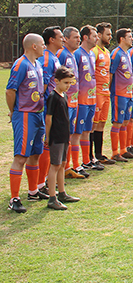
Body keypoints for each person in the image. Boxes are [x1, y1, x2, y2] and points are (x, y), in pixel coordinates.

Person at [6, 33, 46, 213]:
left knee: (35, 153)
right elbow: (10, 90)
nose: (44, 47)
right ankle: (14, 198)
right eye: (42, 44)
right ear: (34, 46)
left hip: (38, 115)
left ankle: (33, 191)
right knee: (21, 156)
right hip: (25, 115)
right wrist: (15, 110)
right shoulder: (20, 64)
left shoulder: (37, 64)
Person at [44, 66, 80, 210]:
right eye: (66, 83)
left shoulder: (64, 96)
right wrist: (48, 136)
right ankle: (52, 197)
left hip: (65, 135)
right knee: (55, 165)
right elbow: (49, 118)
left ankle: (62, 193)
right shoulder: (53, 96)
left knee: (62, 164)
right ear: (56, 81)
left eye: (70, 83)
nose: (68, 86)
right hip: (56, 136)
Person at [36, 26, 64, 194]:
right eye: (60, 37)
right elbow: (44, 85)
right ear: (51, 40)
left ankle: (45, 181)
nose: (63, 39)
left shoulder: (53, 57)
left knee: (50, 145)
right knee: (47, 145)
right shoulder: (47, 59)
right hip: (48, 109)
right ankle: (41, 183)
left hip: (55, 108)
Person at [57, 27, 83, 178]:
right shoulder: (62, 54)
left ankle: (68, 167)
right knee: (64, 135)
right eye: (75, 37)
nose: (78, 40)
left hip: (74, 100)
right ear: (65, 39)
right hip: (65, 102)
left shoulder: (72, 55)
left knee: (71, 133)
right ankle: (62, 169)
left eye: (79, 37)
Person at [74, 25, 99, 174]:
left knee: (87, 130)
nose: (97, 38)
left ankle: (86, 160)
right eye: (94, 36)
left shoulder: (91, 54)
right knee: (78, 131)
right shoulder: (77, 54)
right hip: (81, 99)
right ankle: (76, 164)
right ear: (86, 37)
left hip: (91, 98)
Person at [109, 28, 133, 161]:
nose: (132, 39)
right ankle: (114, 152)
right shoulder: (116, 54)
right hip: (119, 94)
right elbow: (111, 74)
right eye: (129, 37)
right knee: (117, 122)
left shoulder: (127, 53)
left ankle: (123, 149)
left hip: (128, 93)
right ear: (122, 39)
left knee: (125, 121)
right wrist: (110, 91)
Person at [92, 22, 113, 165]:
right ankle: (90, 157)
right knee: (93, 125)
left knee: (101, 124)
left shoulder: (107, 52)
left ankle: (98, 154)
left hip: (106, 93)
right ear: (99, 35)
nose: (110, 37)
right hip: (96, 93)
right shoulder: (94, 51)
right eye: (108, 34)